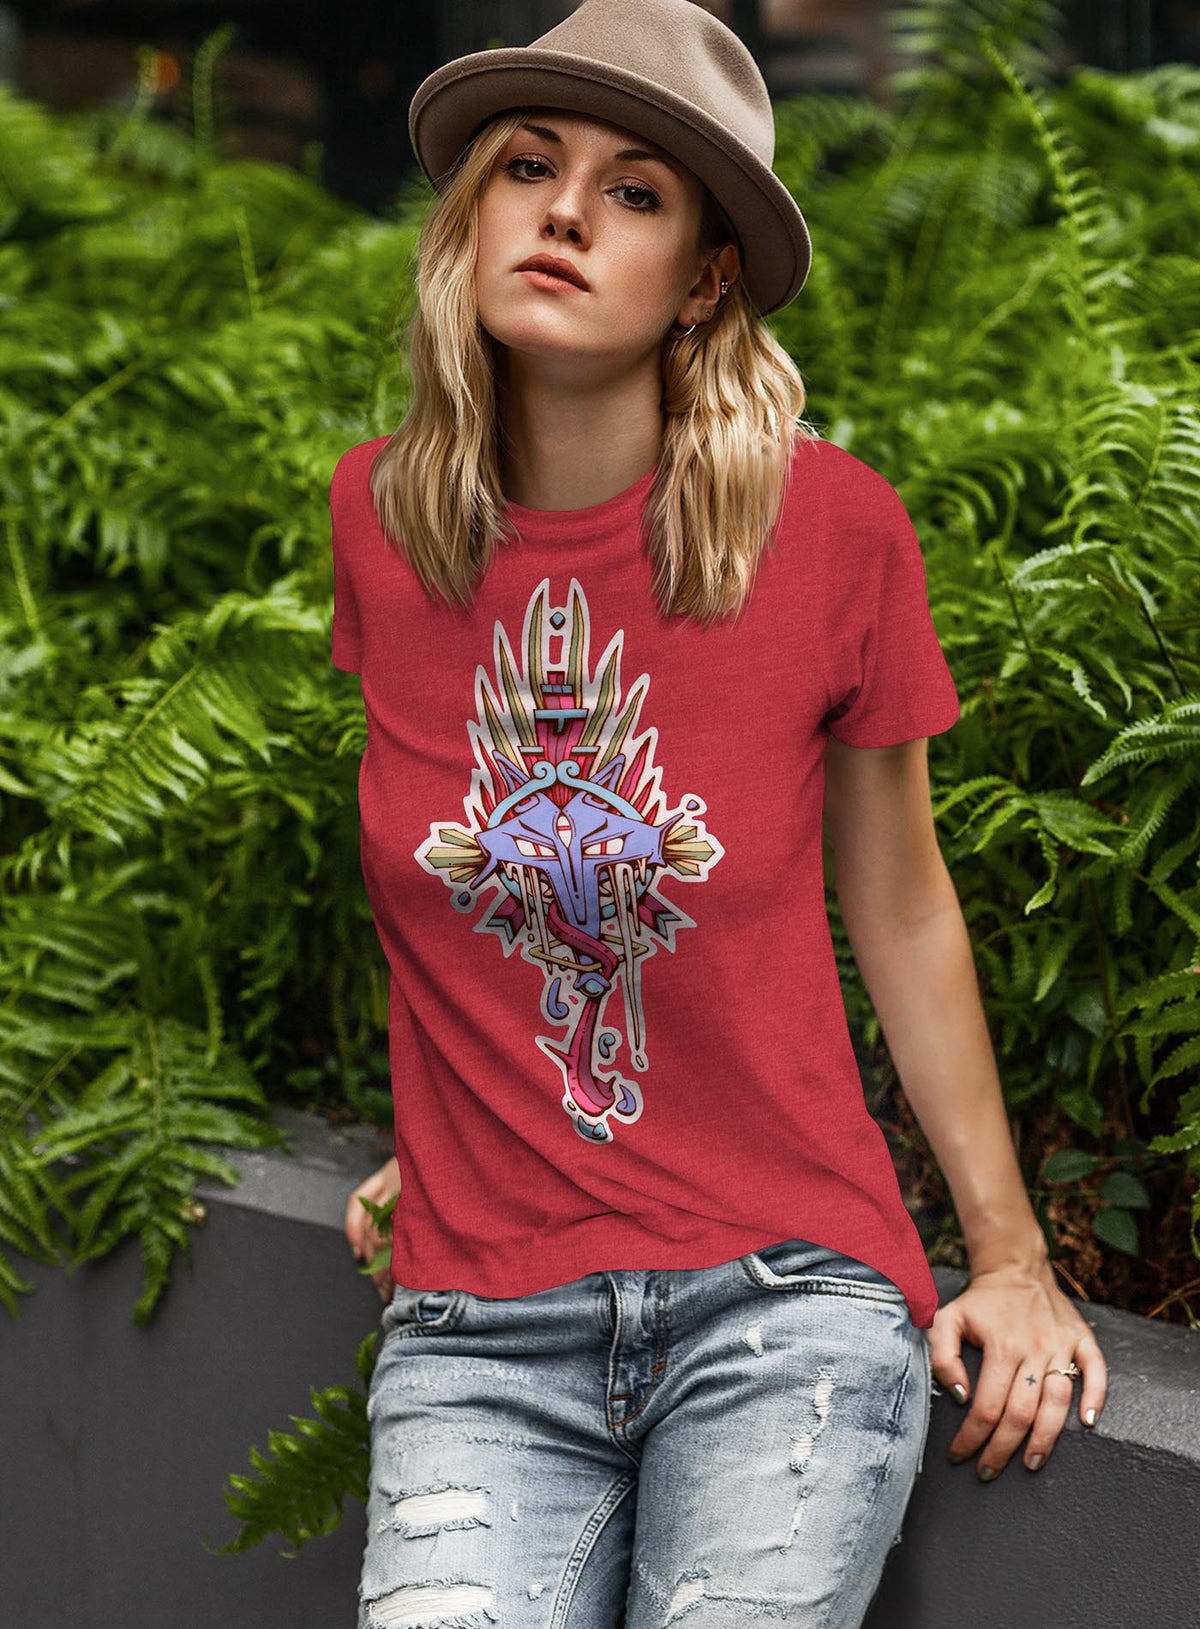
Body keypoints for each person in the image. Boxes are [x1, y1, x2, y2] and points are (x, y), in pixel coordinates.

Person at [334, 3, 1108, 1624]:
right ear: (469, 211)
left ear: (702, 281)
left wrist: (1011, 1257)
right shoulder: (385, 526)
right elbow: (460, 870)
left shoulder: (829, 534)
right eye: (529, 167)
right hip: (479, 1331)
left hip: (785, 1304)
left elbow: (902, 907)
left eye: (634, 192)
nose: (562, 211)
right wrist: (474, 1124)